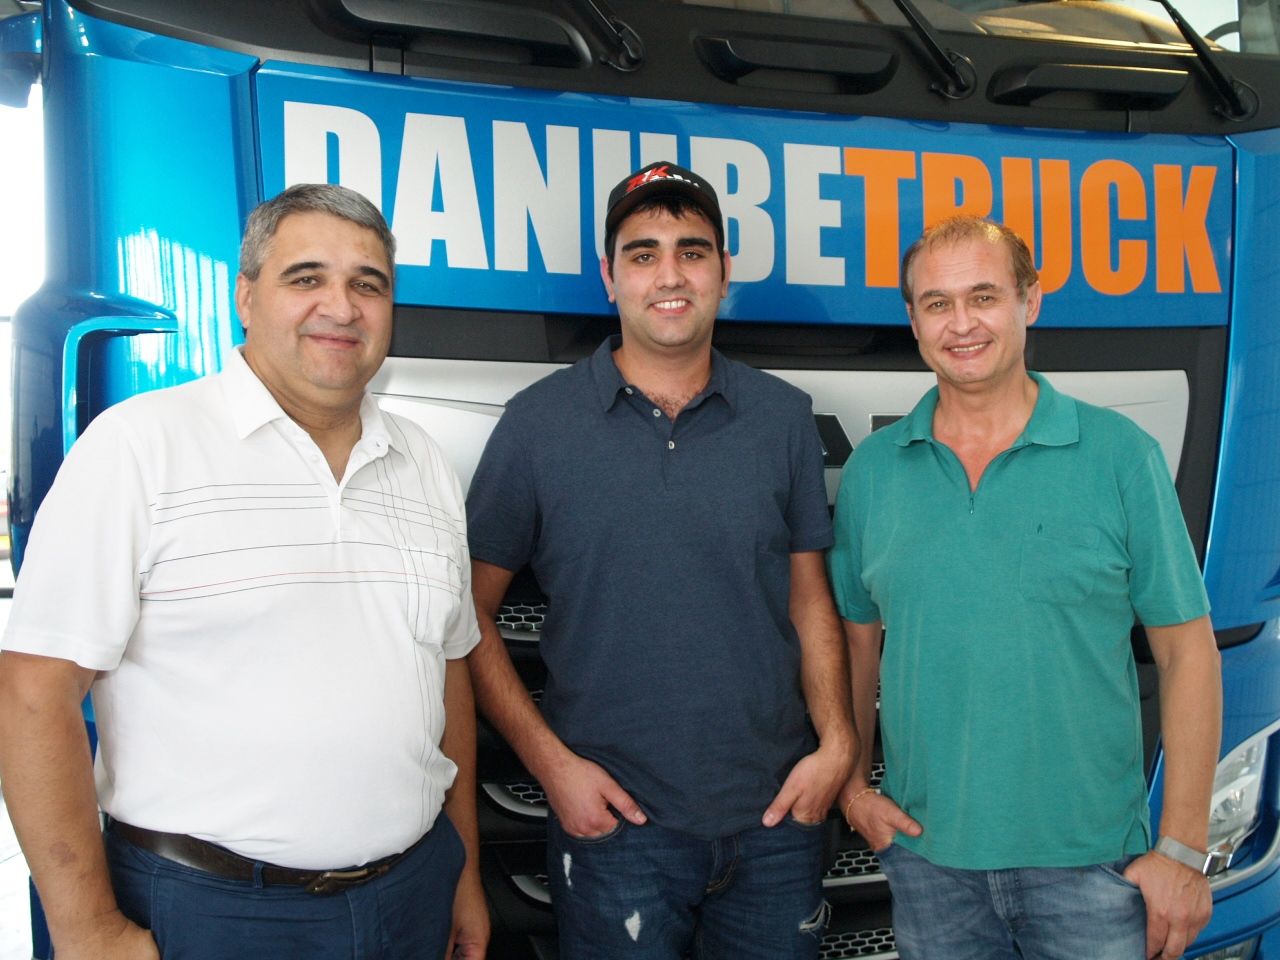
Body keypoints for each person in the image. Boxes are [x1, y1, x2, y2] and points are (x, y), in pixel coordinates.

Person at [0, 183, 488, 960]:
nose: (341, 306)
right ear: (246, 297)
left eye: (368, 284)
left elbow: (446, 669)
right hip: (211, 914)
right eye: (307, 278)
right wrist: (87, 931)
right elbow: (32, 693)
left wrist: (462, 874)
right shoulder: (140, 446)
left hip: (409, 897)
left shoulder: (422, 461)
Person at [464, 161, 856, 959]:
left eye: (692, 252)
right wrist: (552, 767)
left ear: (724, 272)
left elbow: (809, 598)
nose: (669, 275)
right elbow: (465, 611)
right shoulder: (536, 425)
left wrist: (837, 745)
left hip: (778, 820)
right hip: (614, 831)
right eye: (643, 255)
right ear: (609, 277)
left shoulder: (781, 417)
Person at [829, 215, 1223, 960]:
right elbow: (854, 644)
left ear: (1029, 301)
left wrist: (1182, 848)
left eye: (983, 296)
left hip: (1094, 867)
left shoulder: (1120, 456)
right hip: (928, 863)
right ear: (913, 320)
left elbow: (1188, 653)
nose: (961, 324)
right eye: (937, 303)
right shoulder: (874, 471)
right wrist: (852, 789)